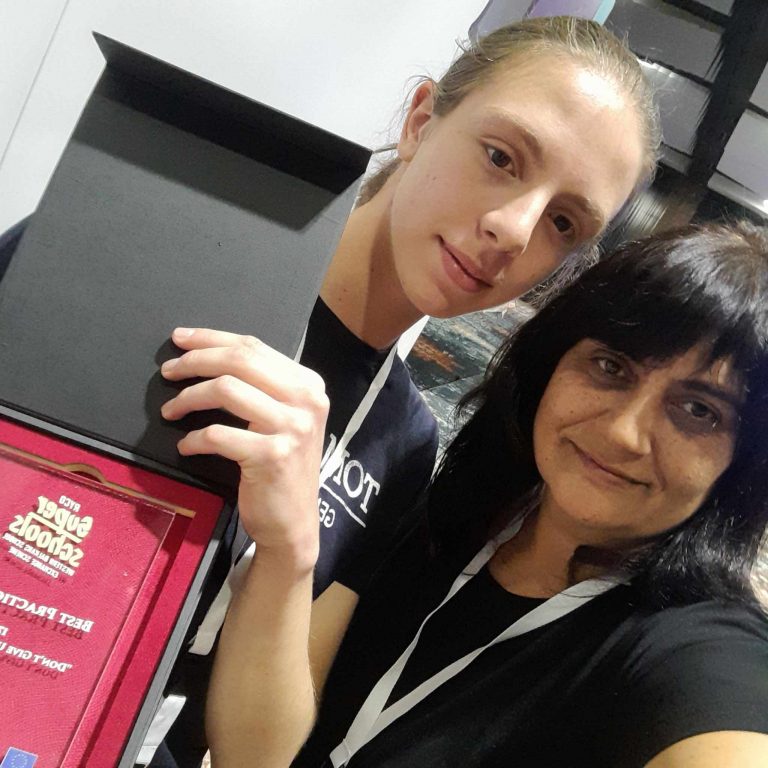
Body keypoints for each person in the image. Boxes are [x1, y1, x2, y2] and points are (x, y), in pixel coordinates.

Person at [0, 17, 658, 767]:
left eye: (563, 223)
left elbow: (258, 755)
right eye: (501, 157)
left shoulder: (403, 441)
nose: (514, 229)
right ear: (420, 122)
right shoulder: (154, 243)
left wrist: (287, 550)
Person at [169, 222, 768, 767]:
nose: (623, 433)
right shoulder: (448, 515)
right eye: (611, 367)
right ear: (551, 365)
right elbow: (254, 756)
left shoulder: (695, 651)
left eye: (699, 410)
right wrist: (287, 549)